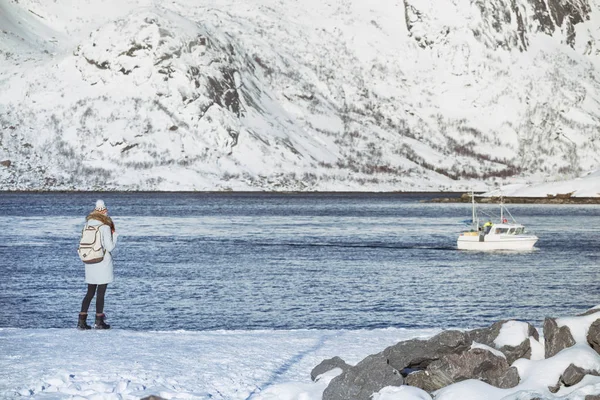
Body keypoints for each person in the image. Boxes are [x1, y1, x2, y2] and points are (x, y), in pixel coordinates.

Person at [77, 199, 119, 330]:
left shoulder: (87, 225)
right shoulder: (105, 227)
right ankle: (99, 321)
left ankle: (81, 322)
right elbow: (110, 247)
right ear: (105, 213)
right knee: (101, 293)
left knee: (90, 292)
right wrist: (115, 235)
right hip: (102, 262)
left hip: (89, 260)